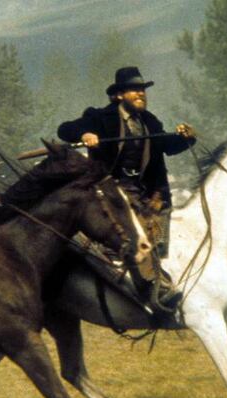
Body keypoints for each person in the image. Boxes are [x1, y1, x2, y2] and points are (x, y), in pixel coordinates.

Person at [57, 66, 196, 310]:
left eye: (142, 90)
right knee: (138, 233)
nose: (141, 94)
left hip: (146, 193)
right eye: (134, 90)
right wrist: (85, 132)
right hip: (109, 193)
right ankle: (154, 287)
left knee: (162, 228)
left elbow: (168, 145)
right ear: (119, 95)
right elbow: (65, 129)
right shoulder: (99, 117)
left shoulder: (150, 122)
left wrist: (186, 137)